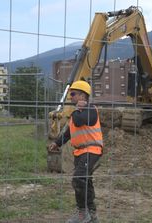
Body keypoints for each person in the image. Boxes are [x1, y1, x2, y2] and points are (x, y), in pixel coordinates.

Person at [48, 80, 103, 223]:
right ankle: (92, 213)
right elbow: (68, 134)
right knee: (86, 180)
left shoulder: (91, 109)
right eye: (70, 94)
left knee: (79, 179)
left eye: (73, 94)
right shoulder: (76, 113)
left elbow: (80, 121)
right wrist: (56, 143)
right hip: (80, 152)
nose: (71, 97)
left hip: (92, 150)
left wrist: (78, 109)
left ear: (83, 96)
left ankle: (82, 213)